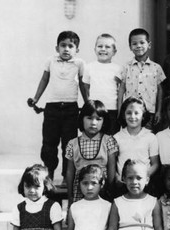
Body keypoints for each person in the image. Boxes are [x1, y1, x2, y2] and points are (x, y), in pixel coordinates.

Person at [29, 31, 87, 182]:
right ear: (57, 48)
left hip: (71, 109)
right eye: (63, 45)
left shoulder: (80, 63)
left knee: (69, 145)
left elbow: (82, 84)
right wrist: (36, 98)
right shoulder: (50, 61)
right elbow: (44, 79)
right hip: (52, 108)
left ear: (77, 50)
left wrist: (88, 103)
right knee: (49, 144)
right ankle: (48, 175)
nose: (66, 49)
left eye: (71, 46)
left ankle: (66, 178)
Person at [65, 100, 118, 206]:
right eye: (89, 118)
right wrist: (70, 196)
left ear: (104, 121)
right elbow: (70, 172)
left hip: (102, 188)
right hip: (81, 189)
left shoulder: (108, 141)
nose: (93, 123)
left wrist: (111, 192)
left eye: (98, 119)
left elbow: (112, 169)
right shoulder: (73, 143)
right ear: (82, 119)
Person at [118, 28, 166, 129]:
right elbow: (121, 89)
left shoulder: (156, 68)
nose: (138, 46)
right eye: (134, 44)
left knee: (146, 138)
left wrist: (158, 111)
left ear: (149, 44)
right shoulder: (126, 67)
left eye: (142, 42)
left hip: (149, 112)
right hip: (130, 112)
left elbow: (160, 90)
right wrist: (119, 110)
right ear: (130, 47)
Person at [113, 97, 159, 196]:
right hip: (123, 185)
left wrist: (143, 176)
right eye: (129, 113)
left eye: (136, 113)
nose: (132, 116)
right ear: (124, 115)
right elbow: (113, 163)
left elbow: (155, 164)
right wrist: (117, 177)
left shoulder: (150, 137)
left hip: (144, 186)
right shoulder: (117, 137)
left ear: (143, 116)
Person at [82, 34, 122, 135]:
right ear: (94, 49)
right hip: (95, 110)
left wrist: (119, 111)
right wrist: (90, 106)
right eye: (100, 46)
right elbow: (86, 88)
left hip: (112, 110)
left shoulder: (118, 69)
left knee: (111, 139)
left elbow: (121, 90)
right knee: (94, 138)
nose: (103, 49)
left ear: (114, 51)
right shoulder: (89, 67)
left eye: (107, 47)